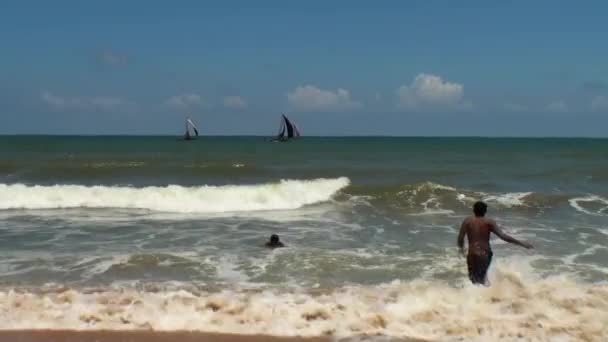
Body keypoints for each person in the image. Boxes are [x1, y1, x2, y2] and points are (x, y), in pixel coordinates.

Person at [458, 201, 533, 285]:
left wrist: (461, 250)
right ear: (485, 211)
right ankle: (487, 296)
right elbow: (503, 236)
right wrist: (522, 243)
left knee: (473, 281)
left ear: (473, 210)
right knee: (482, 280)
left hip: (471, 254)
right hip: (484, 254)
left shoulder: (467, 221)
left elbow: (460, 239)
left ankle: (475, 297)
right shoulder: (489, 222)